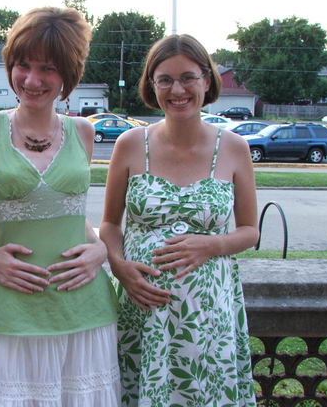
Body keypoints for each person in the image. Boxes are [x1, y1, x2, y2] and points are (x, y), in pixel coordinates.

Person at [0, 7, 120, 406]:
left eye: (47, 69)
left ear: (68, 75)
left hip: (85, 305)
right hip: (13, 306)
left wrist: (100, 249)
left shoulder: (83, 131)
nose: (32, 80)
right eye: (23, 65)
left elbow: (72, 212)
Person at [100, 34, 258, 406]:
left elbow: (250, 231)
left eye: (188, 78)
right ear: (151, 85)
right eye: (165, 80)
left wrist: (214, 244)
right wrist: (120, 267)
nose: (177, 90)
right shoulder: (129, 144)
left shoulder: (234, 148)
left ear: (206, 80)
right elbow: (109, 224)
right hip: (142, 309)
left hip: (208, 314)